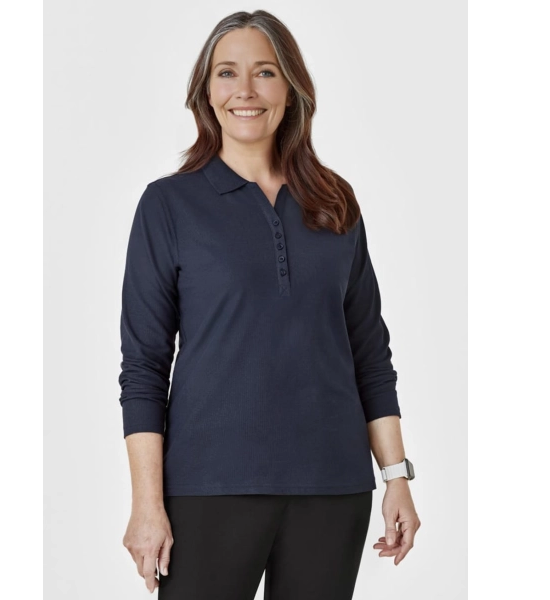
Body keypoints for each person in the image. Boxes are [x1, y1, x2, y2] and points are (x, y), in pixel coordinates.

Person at [118, 9, 421, 599]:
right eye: (227, 73)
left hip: (333, 488)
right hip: (208, 488)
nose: (246, 91)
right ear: (206, 92)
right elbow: (144, 368)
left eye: (265, 72)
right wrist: (146, 505)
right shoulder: (168, 206)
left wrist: (396, 477)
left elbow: (370, 355)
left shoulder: (335, 202)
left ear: (291, 88)